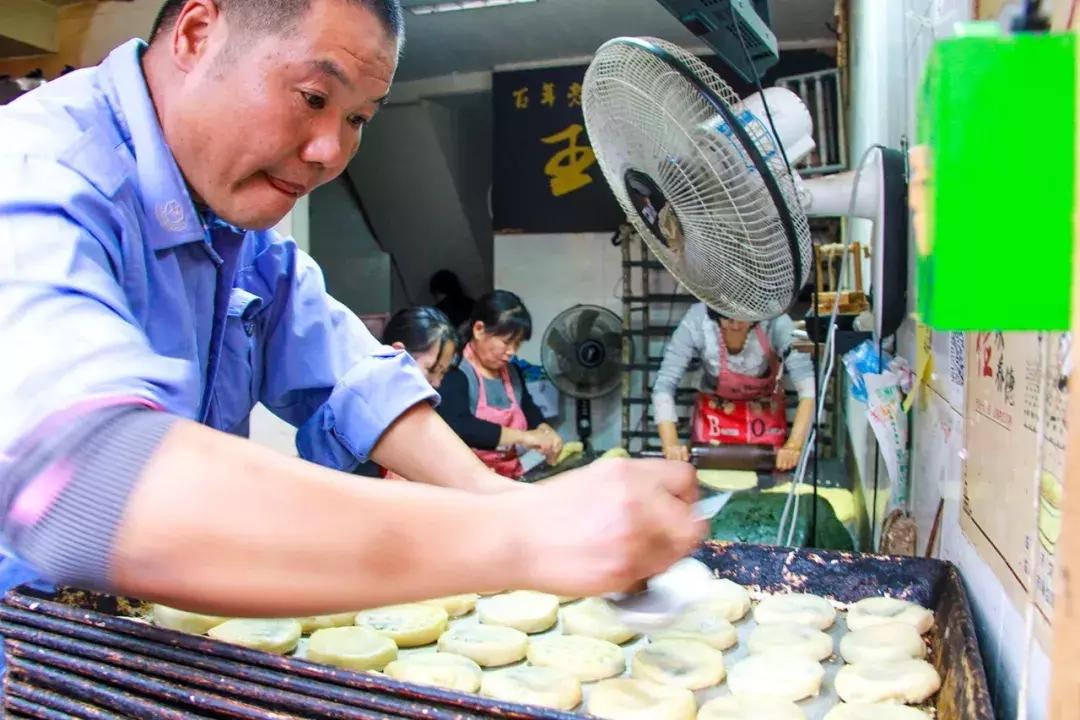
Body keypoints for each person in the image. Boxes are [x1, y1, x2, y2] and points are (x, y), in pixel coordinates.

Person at [0, 0, 704, 625]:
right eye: (312, 97)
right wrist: (522, 539)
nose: (330, 153)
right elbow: (81, 477)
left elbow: (356, 379)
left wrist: (502, 500)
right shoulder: (38, 173)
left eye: (360, 118)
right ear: (196, 33)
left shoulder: (238, 232)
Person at [653, 303, 815, 471]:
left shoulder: (776, 321)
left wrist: (793, 446)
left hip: (764, 420)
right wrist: (671, 445)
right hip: (713, 423)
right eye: (728, 319)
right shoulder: (697, 321)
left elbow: (809, 390)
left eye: (745, 320)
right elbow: (664, 386)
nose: (736, 326)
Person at [437, 291, 565, 479]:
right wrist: (522, 437)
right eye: (506, 342)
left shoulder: (512, 373)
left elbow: (529, 411)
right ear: (479, 329)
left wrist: (545, 430)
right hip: (466, 481)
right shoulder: (455, 371)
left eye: (517, 344)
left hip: (509, 477)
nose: (511, 352)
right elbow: (461, 426)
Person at [354, 306, 458, 478]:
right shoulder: (361, 408)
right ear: (398, 353)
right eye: (431, 369)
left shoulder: (422, 406)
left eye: (442, 373)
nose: (437, 383)